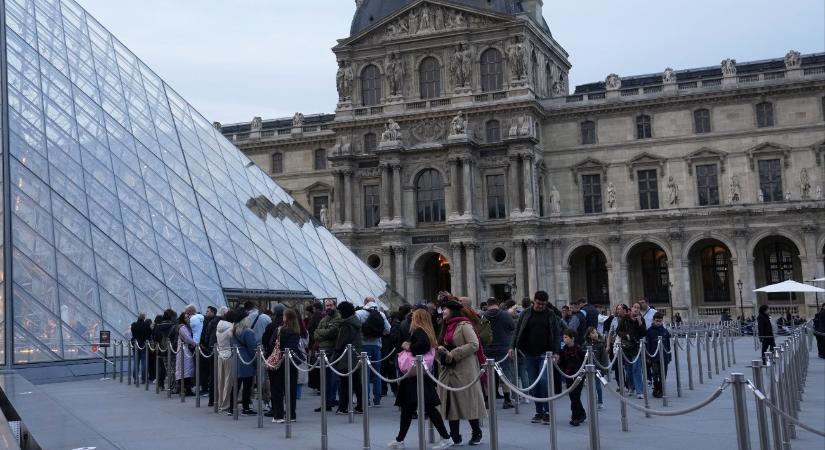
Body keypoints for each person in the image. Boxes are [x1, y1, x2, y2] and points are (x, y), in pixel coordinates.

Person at [388, 308, 454, 450]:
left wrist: (408, 346)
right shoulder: (427, 331)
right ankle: (400, 439)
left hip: (415, 376)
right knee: (412, 408)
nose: (411, 319)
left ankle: (446, 437)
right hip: (418, 375)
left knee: (424, 408)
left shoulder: (419, 331)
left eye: (414, 317)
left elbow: (420, 348)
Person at [437, 299, 486, 446]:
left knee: (467, 400)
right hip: (449, 369)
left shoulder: (464, 325)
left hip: (464, 368)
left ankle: (476, 432)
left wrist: (454, 353)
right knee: (451, 402)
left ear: (452, 310)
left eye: (444, 309)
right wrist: (441, 352)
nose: (442, 312)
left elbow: (474, 344)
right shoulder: (445, 326)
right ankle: (455, 436)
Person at [509, 290, 561, 425]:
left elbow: (556, 334)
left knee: (544, 382)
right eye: (538, 303)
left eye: (543, 304)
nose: (540, 306)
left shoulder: (550, 314)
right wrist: (512, 347)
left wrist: (556, 352)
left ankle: (548, 411)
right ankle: (539, 412)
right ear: (534, 301)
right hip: (529, 353)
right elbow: (517, 331)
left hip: (546, 353)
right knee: (534, 384)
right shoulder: (526, 313)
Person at [267, 309, 306, 423]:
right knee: (291, 389)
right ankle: (291, 414)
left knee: (276, 389)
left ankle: (278, 415)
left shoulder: (279, 330)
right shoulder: (296, 332)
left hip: (278, 362)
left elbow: (271, 343)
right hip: (291, 363)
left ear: (286, 318)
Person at [356, 297, 391, 407]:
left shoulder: (359, 313)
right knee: (377, 373)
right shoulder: (381, 314)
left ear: (365, 303)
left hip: (363, 346)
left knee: (364, 374)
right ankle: (377, 399)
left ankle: (366, 399)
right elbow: (388, 329)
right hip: (376, 346)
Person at [483, 297, 516, 409]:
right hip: (503, 349)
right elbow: (512, 328)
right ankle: (507, 400)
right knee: (504, 374)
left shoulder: (482, 316)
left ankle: (487, 400)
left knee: (486, 375)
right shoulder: (506, 315)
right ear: (497, 304)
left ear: (487, 305)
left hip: (487, 349)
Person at [334, 301, 364, 415]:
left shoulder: (346, 324)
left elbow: (341, 341)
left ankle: (343, 407)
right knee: (356, 382)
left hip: (346, 357)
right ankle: (360, 406)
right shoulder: (355, 322)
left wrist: (336, 351)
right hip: (356, 355)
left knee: (344, 383)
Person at [313, 299, 341, 411]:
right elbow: (315, 333)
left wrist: (321, 333)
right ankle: (326, 403)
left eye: (330, 305)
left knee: (333, 379)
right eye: (327, 305)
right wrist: (323, 333)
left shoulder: (338, 317)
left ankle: (331, 401)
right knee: (324, 379)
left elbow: (333, 332)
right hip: (323, 351)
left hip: (332, 351)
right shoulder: (324, 318)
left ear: (335, 306)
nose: (328, 307)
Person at [229, 308, 257, 416]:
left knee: (235, 384)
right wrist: (256, 362)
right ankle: (246, 407)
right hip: (247, 360)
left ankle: (231, 407)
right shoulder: (248, 332)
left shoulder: (233, 331)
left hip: (236, 359)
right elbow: (252, 348)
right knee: (247, 385)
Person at [556, 329, 586, 426]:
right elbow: (561, 362)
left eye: (566, 337)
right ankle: (581, 413)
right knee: (572, 396)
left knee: (575, 396)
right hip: (568, 375)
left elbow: (584, 361)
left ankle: (575, 417)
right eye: (563, 337)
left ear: (572, 338)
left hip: (578, 376)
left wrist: (583, 373)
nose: (564, 339)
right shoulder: (563, 349)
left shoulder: (578, 349)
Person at [616, 303, 645, 398]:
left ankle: (639, 391)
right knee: (628, 370)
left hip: (636, 347)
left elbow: (644, 333)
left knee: (636, 368)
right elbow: (618, 331)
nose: (636, 309)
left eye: (638, 308)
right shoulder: (625, 319)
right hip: (627, 347)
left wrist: (640, 323)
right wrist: (626, 335)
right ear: (631, 309)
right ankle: (631, 388)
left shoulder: (641, 319)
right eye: (635, 307)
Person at [645, 312, 672, 398]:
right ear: (653, 320)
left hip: (664, 356)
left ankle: (661, 389)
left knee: (663, 374)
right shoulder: (649, 331)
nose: (658, 323)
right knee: (655, 373)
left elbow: (668, 345)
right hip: (654, 357)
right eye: (657, 321)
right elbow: (647, 345)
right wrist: (648, 356)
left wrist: (669, 355)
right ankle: (656, 387)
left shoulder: (664, 331)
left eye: (660, 321)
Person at [215, 308, 235, 413]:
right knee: (228, 380)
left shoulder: (218, 327)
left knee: (221, 380)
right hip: (229, 355)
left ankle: (220, 402)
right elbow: (232, 340)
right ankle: (226, 404)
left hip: (220, 354)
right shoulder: (231, 328)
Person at [152, 309, 176, 391]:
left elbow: (156, 337)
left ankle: (169, 385)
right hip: (172, 349)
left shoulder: (158, 326)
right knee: (174, 368)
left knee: (167, 368)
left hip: (162, 349)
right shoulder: (173, 326)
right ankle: (174, 386)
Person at [174, 311, 197, 396]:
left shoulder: (182, 327)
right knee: (186, 370)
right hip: (185, 351)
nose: (188, 319)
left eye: (188, 317)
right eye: (186, 317)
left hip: (183, 351)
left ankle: (184, 389)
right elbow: (188, 338)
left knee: (184, 370)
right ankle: (186, 389)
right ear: (182, 319)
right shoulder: (183, 327)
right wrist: (196, 344)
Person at [585, 327, 606, 409]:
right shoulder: (585, 345)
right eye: (593, 333)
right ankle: (592, 401)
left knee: (598, 386)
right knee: (590, 386)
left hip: (598, 369)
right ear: (589, 335)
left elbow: (604, 359)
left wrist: (603, 369)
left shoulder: (600, 345)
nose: (595, 334)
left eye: (596, 332)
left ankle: (600, 401)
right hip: (588, 369)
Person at [130, 312, 152, 384]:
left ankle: (135, 378)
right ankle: (143, 379)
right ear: (144, 317)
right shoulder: (147, 325)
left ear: (138, 317)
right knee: (144, 362)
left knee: (136, 362)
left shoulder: (133, 325)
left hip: (136, 344)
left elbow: (133, 335)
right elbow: (149, 335)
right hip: (144, 345)